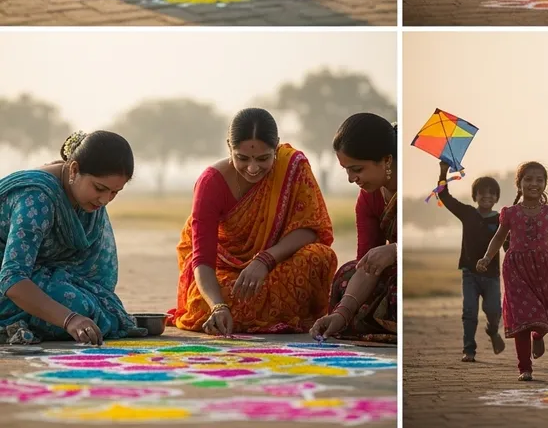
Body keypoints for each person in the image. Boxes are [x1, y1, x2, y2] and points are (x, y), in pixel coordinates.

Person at [168, 108, 337, 335]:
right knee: (203, 303)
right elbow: (202, 260)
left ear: (276, 146)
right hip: (223, 269)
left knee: (319, 257)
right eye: (242, 158)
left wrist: (265, 260)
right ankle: (248, 315)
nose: (253, 168)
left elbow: (311, 229)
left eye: (263, 158)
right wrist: (218, 306)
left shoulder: (293, 166)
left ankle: (268, 315)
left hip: (275, 264)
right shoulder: (211, 183)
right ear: (230, 147)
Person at [0, 130, 146, 345]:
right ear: (75, 169)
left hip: (42, 277)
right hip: (10, 285)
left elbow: (96, 277)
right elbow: (11, 278)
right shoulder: (37, 198)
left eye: (115, 192)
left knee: (104, 309)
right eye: (100, 188)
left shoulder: (86, 198)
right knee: (79, 308)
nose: (105, 200)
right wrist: (69, 319)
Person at [477, 162, 548, 381]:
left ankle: (539, 335)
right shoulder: (510, 213)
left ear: (545, 184)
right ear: (519, 183)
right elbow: (498, 238)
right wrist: (487, 257)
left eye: (539, 180)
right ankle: (524, 367)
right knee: (522, 318)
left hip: (543, 269)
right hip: (515, 269)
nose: (534, 184)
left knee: (545, 314)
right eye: (528, 179)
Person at [311, 113, 396, 342]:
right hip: (386, 274)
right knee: (346, 275)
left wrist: (395, 250)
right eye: (346, 170)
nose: (351, 179)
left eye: (357, 169)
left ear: (386, 160)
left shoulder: (417, 189)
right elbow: (366, 265)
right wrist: (342, 313)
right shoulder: (368, 198)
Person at [437, 160, 505, 362]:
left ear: (496, 198)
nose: (487, 196)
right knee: (469, 312)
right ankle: (469, 349)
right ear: (474, 196)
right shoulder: (467, 213)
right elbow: (444, 196)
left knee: (494, 311)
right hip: (469, 273)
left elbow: (508, 245)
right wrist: (443, 172)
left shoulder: (502, 220)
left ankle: (492, 331)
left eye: (492, 193)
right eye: (482, 192)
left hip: (492, 275)